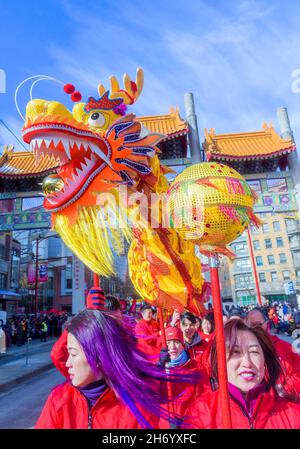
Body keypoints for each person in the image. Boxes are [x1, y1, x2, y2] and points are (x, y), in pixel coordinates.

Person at [36, 288, 194, 429]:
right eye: (111, 321)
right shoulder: (60, 400)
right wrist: (86, 320)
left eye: (119, 320)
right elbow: (60, 356)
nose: (116, 326)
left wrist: (158, 366)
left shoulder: (135, 407)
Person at [184, 319, 300, 429]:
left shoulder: (294, 415)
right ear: (220, 363)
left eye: (254, 352)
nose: (247, 363)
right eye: (236, 352)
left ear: (265, 362)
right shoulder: (200, 414)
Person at [245, 307, 300, 401]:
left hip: (285, 402)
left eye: (259, 324)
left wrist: (284, 390)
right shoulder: (242, 351)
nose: (256, 328)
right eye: (252, 325)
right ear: (246, 324)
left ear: (265, 324)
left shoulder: (284, 347)